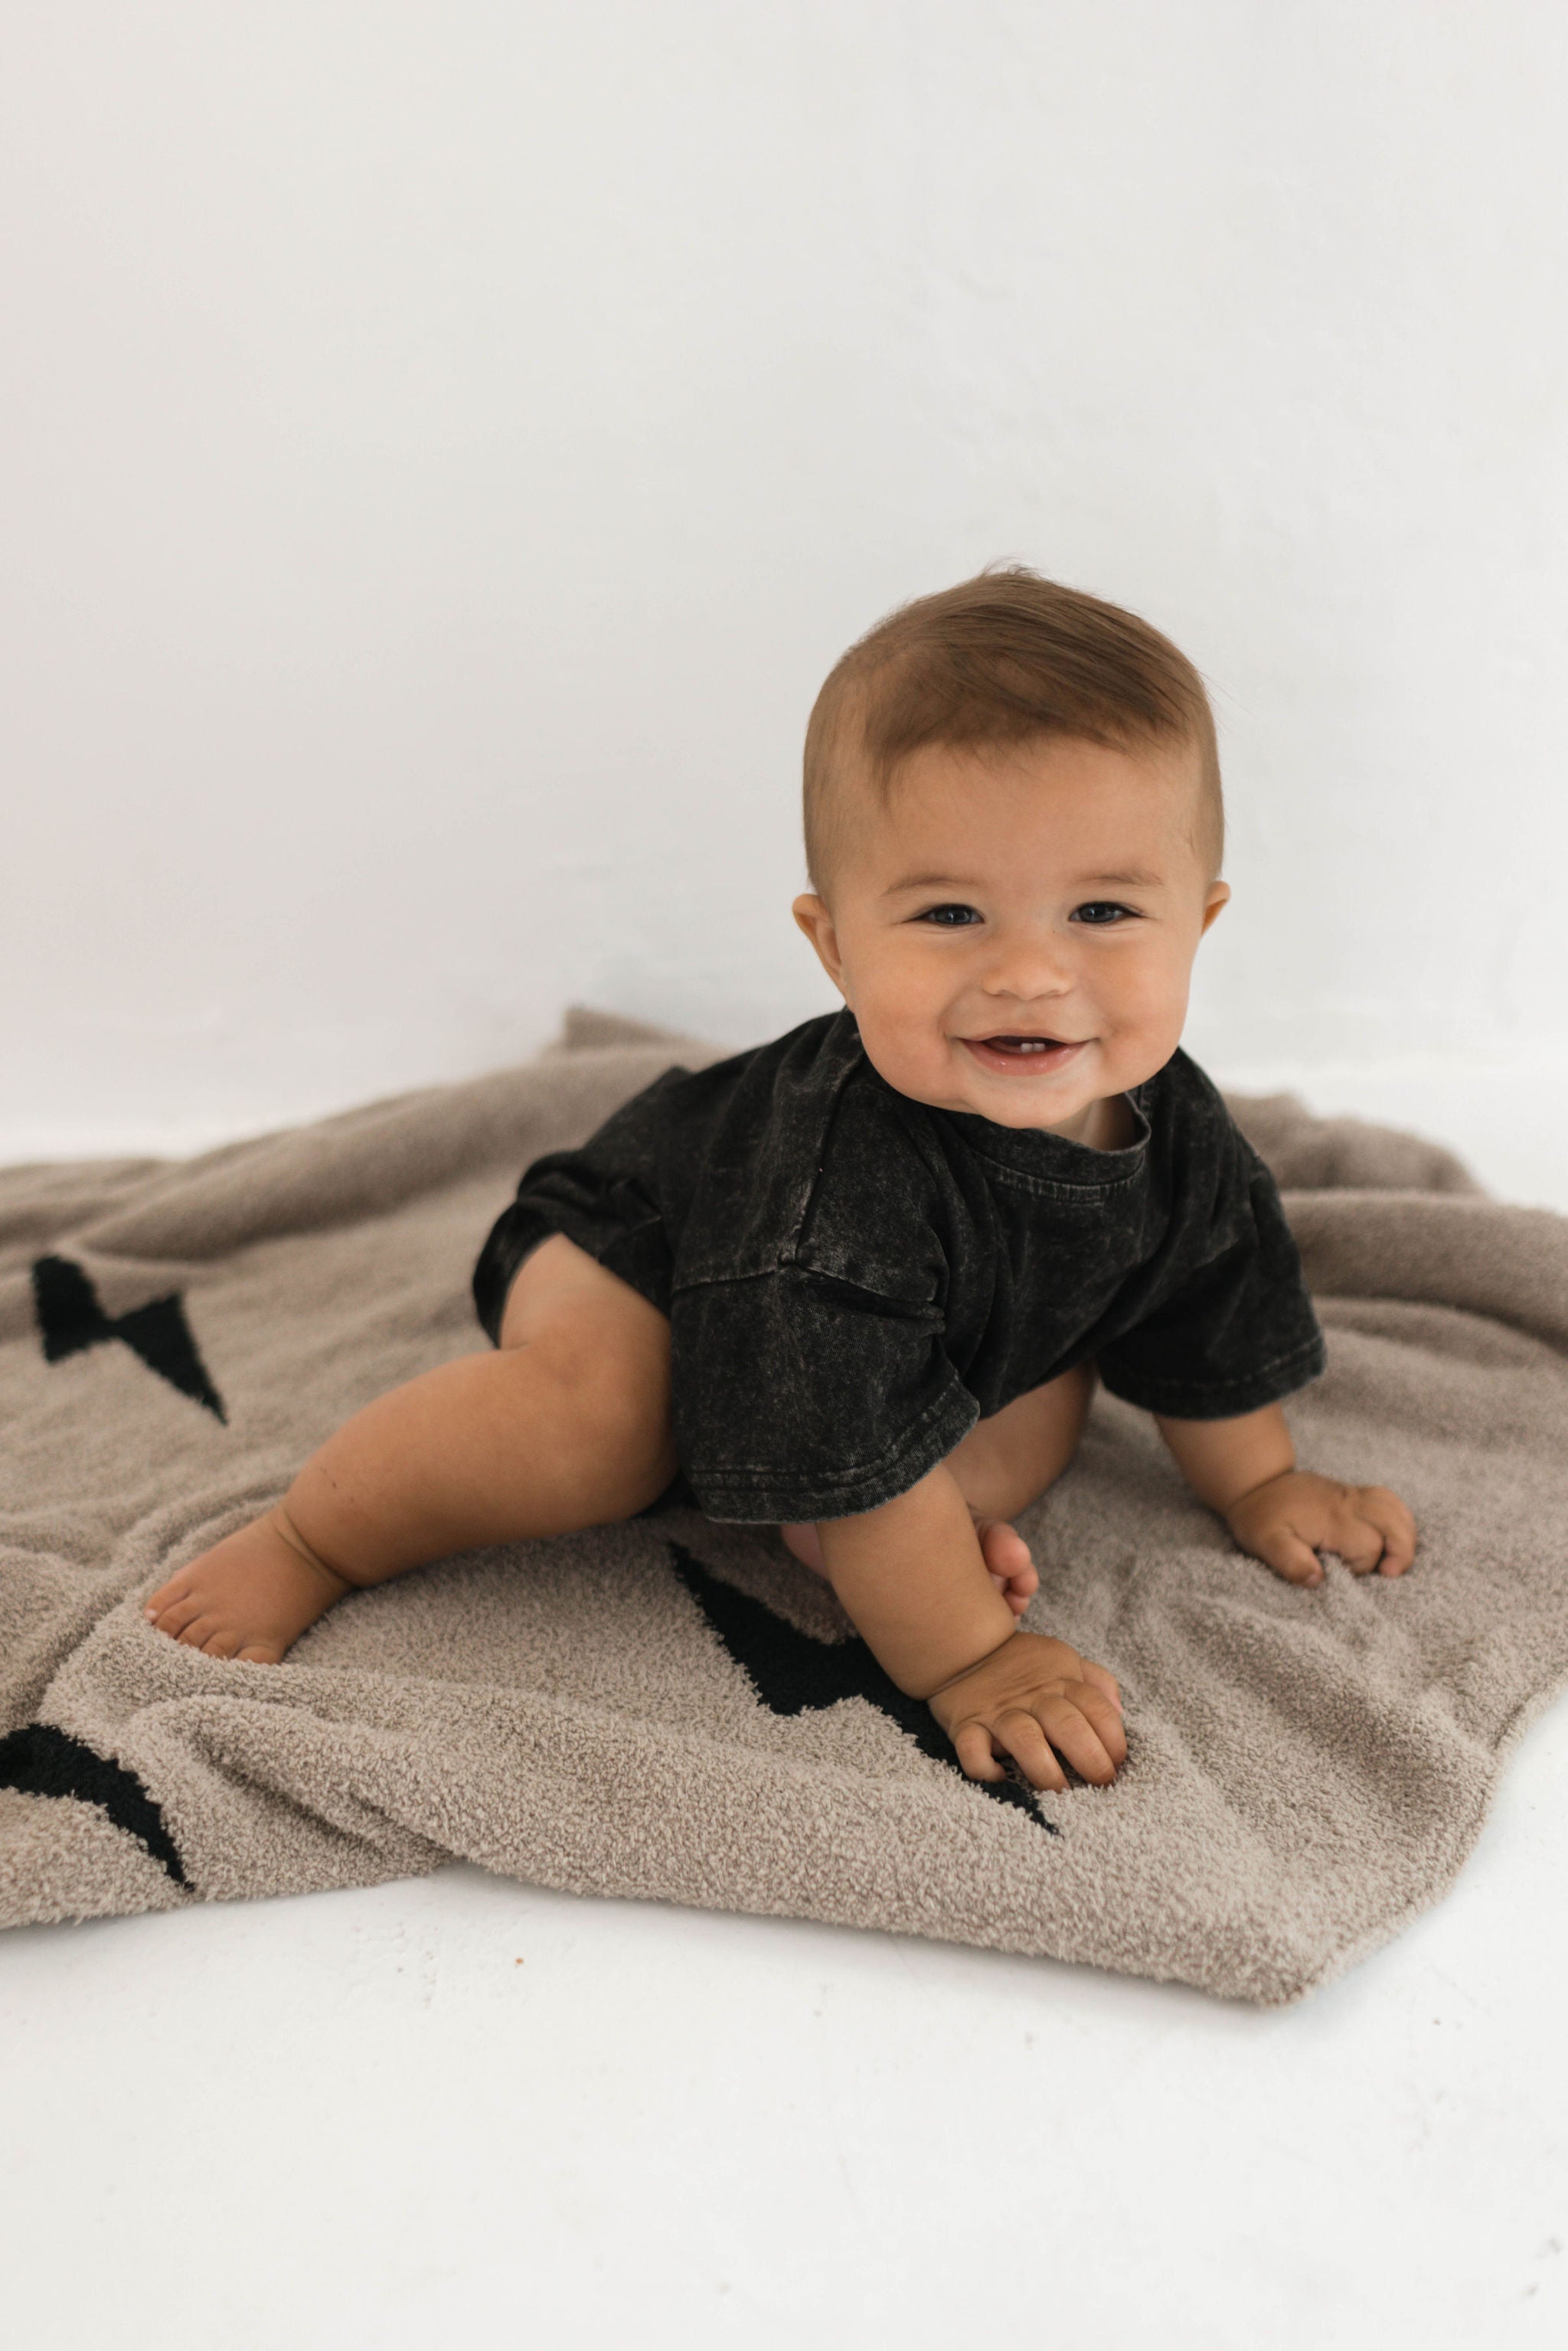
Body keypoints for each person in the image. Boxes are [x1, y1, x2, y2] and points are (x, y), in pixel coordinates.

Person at [144, 568, 1417, 1794]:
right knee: (598, 1433)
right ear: (836, 944)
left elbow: (1207, 1303)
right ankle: (315, 1535)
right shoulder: (833, 1195)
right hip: (647, 1249)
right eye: (950, 917)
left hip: (892, 1336)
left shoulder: (1178, 1132)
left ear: (1198, 921)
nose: (1031, 976)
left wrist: (1258, 1479)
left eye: (1101, 913)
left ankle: (829, 1513)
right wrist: (972, 1655)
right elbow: (851, 1422)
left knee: (1035, 1415)